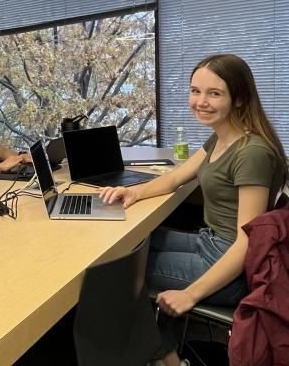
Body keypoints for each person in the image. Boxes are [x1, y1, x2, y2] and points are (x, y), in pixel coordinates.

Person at [99, 54, 287, 366]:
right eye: (195, 90)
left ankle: (169, 360)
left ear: (239, 100)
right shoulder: (223, 136)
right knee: (129, 247)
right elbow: (176, 177)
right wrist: (132, 192)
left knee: (117, 275)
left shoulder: (252, 153)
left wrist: (191, 295)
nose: (200, 101)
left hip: (230, 264)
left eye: (214, 93)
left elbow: (247, 242)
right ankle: (162, 345)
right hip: (211, 242)